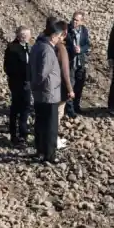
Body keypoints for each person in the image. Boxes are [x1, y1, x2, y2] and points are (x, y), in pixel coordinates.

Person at [30, 20, 65, 163]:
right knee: (50, 126)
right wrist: (38, 84)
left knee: (40, 123)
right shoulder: (47, 50)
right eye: (59, 37)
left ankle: (39, 151)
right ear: (53, 36)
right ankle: (50, 155)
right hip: (49, 93)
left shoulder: (36, 46)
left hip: (39, 94)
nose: (59, 40)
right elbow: (43, 72)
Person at [3, 26, 32, 147]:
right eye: (23, 35)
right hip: (18, 83)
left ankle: (22, 133)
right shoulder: (12, 48)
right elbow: (8, 68)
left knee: (25, 108)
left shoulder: (28, 47)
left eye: (27, 35)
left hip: (27, 82)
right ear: (17, 35)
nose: (25, 37)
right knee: (17, 108)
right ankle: (15, 134)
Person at [50, 18, 75, 149]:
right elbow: (65, 72)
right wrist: (70, 89)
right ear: (64, 33)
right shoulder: (61, 49)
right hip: (59, 88)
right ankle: (53, 140)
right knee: (58, 114)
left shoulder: (48, 45)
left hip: (50, 87)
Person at [66, 11, 90, 116]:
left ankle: (76, 106)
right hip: (70, 62)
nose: (74, 22)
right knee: (70, 85)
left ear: (82, 21)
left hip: (80, 62)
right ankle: (69, 109)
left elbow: (87, 45)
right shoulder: (67, 30)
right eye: (73, 19)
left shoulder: (84, 30)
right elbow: (62, 45)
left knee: (79, 85)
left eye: (77, 20)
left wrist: (81, 49)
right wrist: (72, 49)